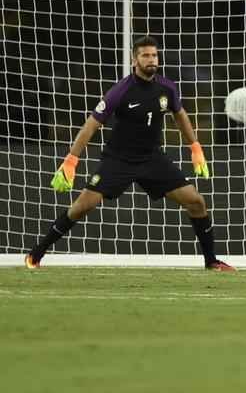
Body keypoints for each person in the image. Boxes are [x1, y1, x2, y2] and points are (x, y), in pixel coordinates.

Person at [25, 36, 234, 271]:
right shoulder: (120, 91)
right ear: (135, 60)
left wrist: (195, 148)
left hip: (152, 158)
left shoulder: (167, 87)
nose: (151, 59)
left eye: (154, 55)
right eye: (145, 55)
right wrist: (72, 159)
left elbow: (180, 115)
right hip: (118, 160)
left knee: (196, 202)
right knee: (81, 207)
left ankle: (211, 261)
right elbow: (91, 125)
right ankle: (36, 254)